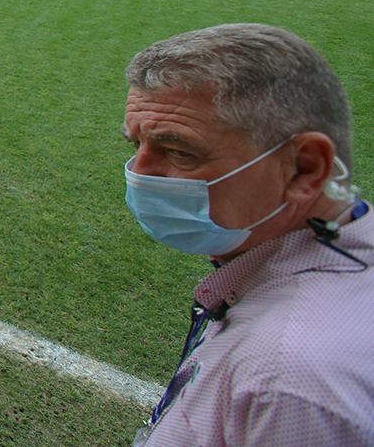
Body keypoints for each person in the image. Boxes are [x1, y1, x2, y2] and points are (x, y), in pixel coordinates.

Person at [122, 23, 373, 447]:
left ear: (304, 168)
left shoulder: (288, 385)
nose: (138, 174)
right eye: (135, 146)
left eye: (180, 151)